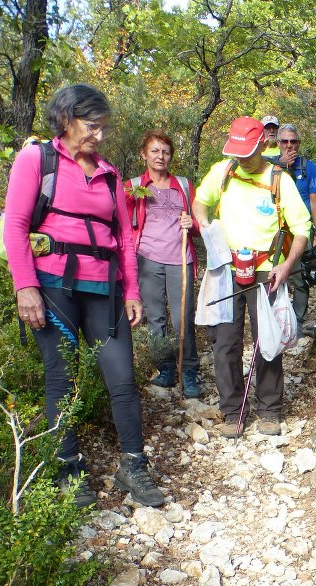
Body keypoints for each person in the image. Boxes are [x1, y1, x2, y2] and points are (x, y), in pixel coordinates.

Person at [3, 84, 166, 508]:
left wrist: (131, 290)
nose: (100, 135)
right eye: (92, 126)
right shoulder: (36, 159)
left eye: (103, 128)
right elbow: (16, 226)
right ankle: (68, 466)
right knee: (62, 379)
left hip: (104, 288)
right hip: (53, 287)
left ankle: (133, 463)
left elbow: (124, 239)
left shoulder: (110, 174)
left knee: (123, 378)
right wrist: (25, 287)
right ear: (66, 119)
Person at [192, 116, 311, 438]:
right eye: (236, 152)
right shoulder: (223, 171)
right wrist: (204, 225)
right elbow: (201, 202)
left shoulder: (279, 179)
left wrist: (286, 266)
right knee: (225, 343)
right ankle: (233, 411)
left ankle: (270, 410)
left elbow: (301, 228)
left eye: (246, 151)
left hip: (266, 269)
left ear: (263, 145)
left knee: (267, 340)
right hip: (226, 268)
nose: (241, 158)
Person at [125, 130, 201, 398]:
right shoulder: (133, 186)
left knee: (183, 319)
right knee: (156, 319)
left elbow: (199, 222)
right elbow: (121, 223)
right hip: (147, 260)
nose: (160, 156)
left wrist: (193, 225)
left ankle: (189, 371)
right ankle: (166, 369)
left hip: (180, 258)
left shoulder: (184, 185)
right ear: (143, 154)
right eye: (155, 151)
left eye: (165, 152)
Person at [276, 123, 316, 330]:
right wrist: (279, 166)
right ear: (278, 143)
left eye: (293, 141)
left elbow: (315, 202)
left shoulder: (308, 167)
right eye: (285, 141)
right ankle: (275, 321)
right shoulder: (269, 168)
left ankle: (297, 323)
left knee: (301, 277)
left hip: (302, 231)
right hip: (277, 232)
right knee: (274, 275)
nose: (289, 146)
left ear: (299, 143)